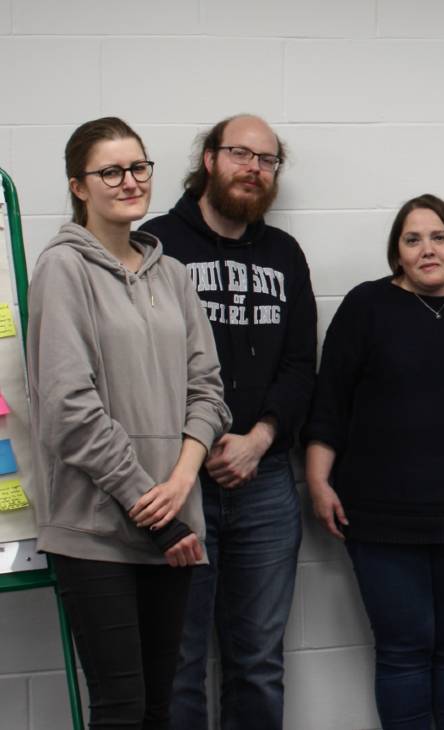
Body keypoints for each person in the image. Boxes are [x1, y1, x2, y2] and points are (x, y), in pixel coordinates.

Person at [26, 116, 231, 729]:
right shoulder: (62, 270)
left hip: (172, 515)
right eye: (110, 171)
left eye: (138, 167)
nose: (129, 181)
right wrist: (152, 501)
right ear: (78, 186)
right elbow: (69, 407)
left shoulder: (171, 275)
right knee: (119, 710)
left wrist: (181, 483)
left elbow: (209, 390)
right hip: (97, 528)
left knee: (159, 708)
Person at [303, 194, 444, 730]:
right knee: (402, 650)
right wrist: (318, 478)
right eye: (412, 239)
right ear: (397, 253)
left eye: (439, 237)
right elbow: (330, 400)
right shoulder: (366, 305)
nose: (427, 249)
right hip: (381, 516)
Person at [140, 114, 316, 730]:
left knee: (259, 662)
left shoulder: (284, 254)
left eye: (267, 160)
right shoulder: (154, 245)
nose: (254, 168)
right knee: (178, 662)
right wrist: (196, 450)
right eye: (241, 153)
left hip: (265, 484)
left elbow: (300, 367)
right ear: (209, 159)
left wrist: (259, 438)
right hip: (177, 486)